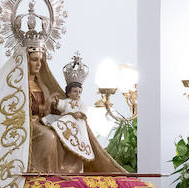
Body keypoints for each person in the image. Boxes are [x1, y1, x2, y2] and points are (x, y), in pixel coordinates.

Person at [26, 47, 124, 175]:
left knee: (62, 133)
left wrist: (51, 107)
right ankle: (41, 172)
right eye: (34, 60)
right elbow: (19, 108)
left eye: (40, 60)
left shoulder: (42, 85)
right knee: (50, 136)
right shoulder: (19, 85)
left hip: (41, 122)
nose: (38, 64)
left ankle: (63, 170)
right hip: (27, 123)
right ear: (26, 61)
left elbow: (48, 113)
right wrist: (46, 106)